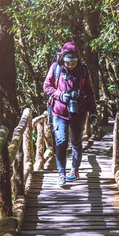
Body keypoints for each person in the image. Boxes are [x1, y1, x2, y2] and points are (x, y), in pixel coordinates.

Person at [44, 42, 98, 187]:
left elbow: (90, 93)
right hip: (59, 112)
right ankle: (61, 173)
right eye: (68, 62)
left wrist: (93, 113)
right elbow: (47, 86)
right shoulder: (56, 68)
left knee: (76, 142)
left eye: (74, 62)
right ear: (63, 60)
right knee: (61, 141)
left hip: (79, 112)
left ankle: (74, 170)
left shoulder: (83, 70)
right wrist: (60, 95)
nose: (71, 65)